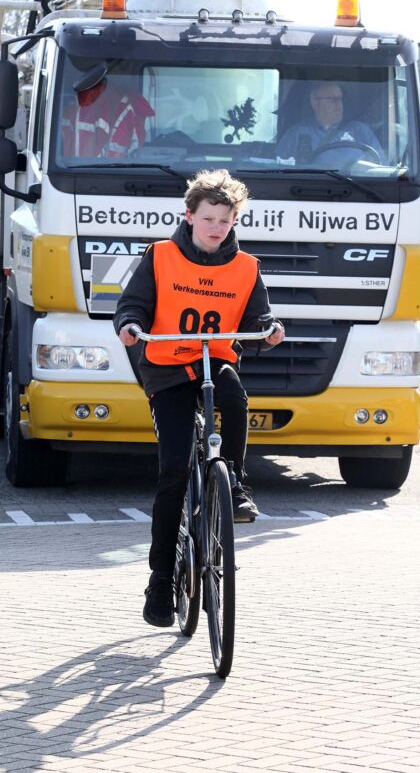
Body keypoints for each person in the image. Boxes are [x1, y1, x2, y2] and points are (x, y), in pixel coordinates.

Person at [113, 169, 285, 628]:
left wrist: (269, 329)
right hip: (169, 368)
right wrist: (130, 326)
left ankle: (237, 485)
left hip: (214, 361)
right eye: (208, 218)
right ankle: (161, 582)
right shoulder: (161, 256)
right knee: (173, 471)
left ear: (234, 223)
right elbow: (133, 305)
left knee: (236, 398)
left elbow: (259, 313)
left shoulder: (247, 267)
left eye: (225, 222)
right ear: (188, 216)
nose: (215, 228)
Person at [277, 81, 383, 165]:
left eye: (340, 99)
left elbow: (381, 166)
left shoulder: (359, 130)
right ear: (315, 102)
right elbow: (277, 165)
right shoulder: (297, 133)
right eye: (332, 99)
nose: (338, 104)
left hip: (356, 187)